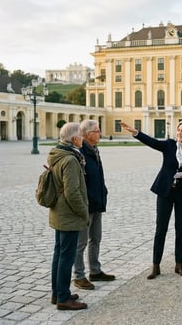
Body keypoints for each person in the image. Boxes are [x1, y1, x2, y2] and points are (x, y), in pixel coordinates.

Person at [120, 120, 182, 279]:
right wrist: (135, 132)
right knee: (161, 229)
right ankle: (155, 265)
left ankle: (179, 264)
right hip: (165, 191)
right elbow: (152, 142)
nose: (179, 133)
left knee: (181, 229)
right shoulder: (169, 145)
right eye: (178, 130)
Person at [48, 122, 88, 310]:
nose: (83, 137)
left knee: (59, 254)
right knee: (66, 257)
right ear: (74, 139)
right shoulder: (71, 160)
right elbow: (72, 192)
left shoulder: (58, 154)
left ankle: (57, 293)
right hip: (69, 215)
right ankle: (63, 298)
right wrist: (83, 212)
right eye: (81, 135)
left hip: (59, 212)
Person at [73, 120, 115, 290]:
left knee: (96, 238)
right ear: (88, 134)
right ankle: (79, 276)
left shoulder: (94, 150)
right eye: (97, 131)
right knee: (81, 242)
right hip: (86, 203)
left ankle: (95, 271)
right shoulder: (80, 153)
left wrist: (103, 191)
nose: (100, 134)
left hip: (97, 201)